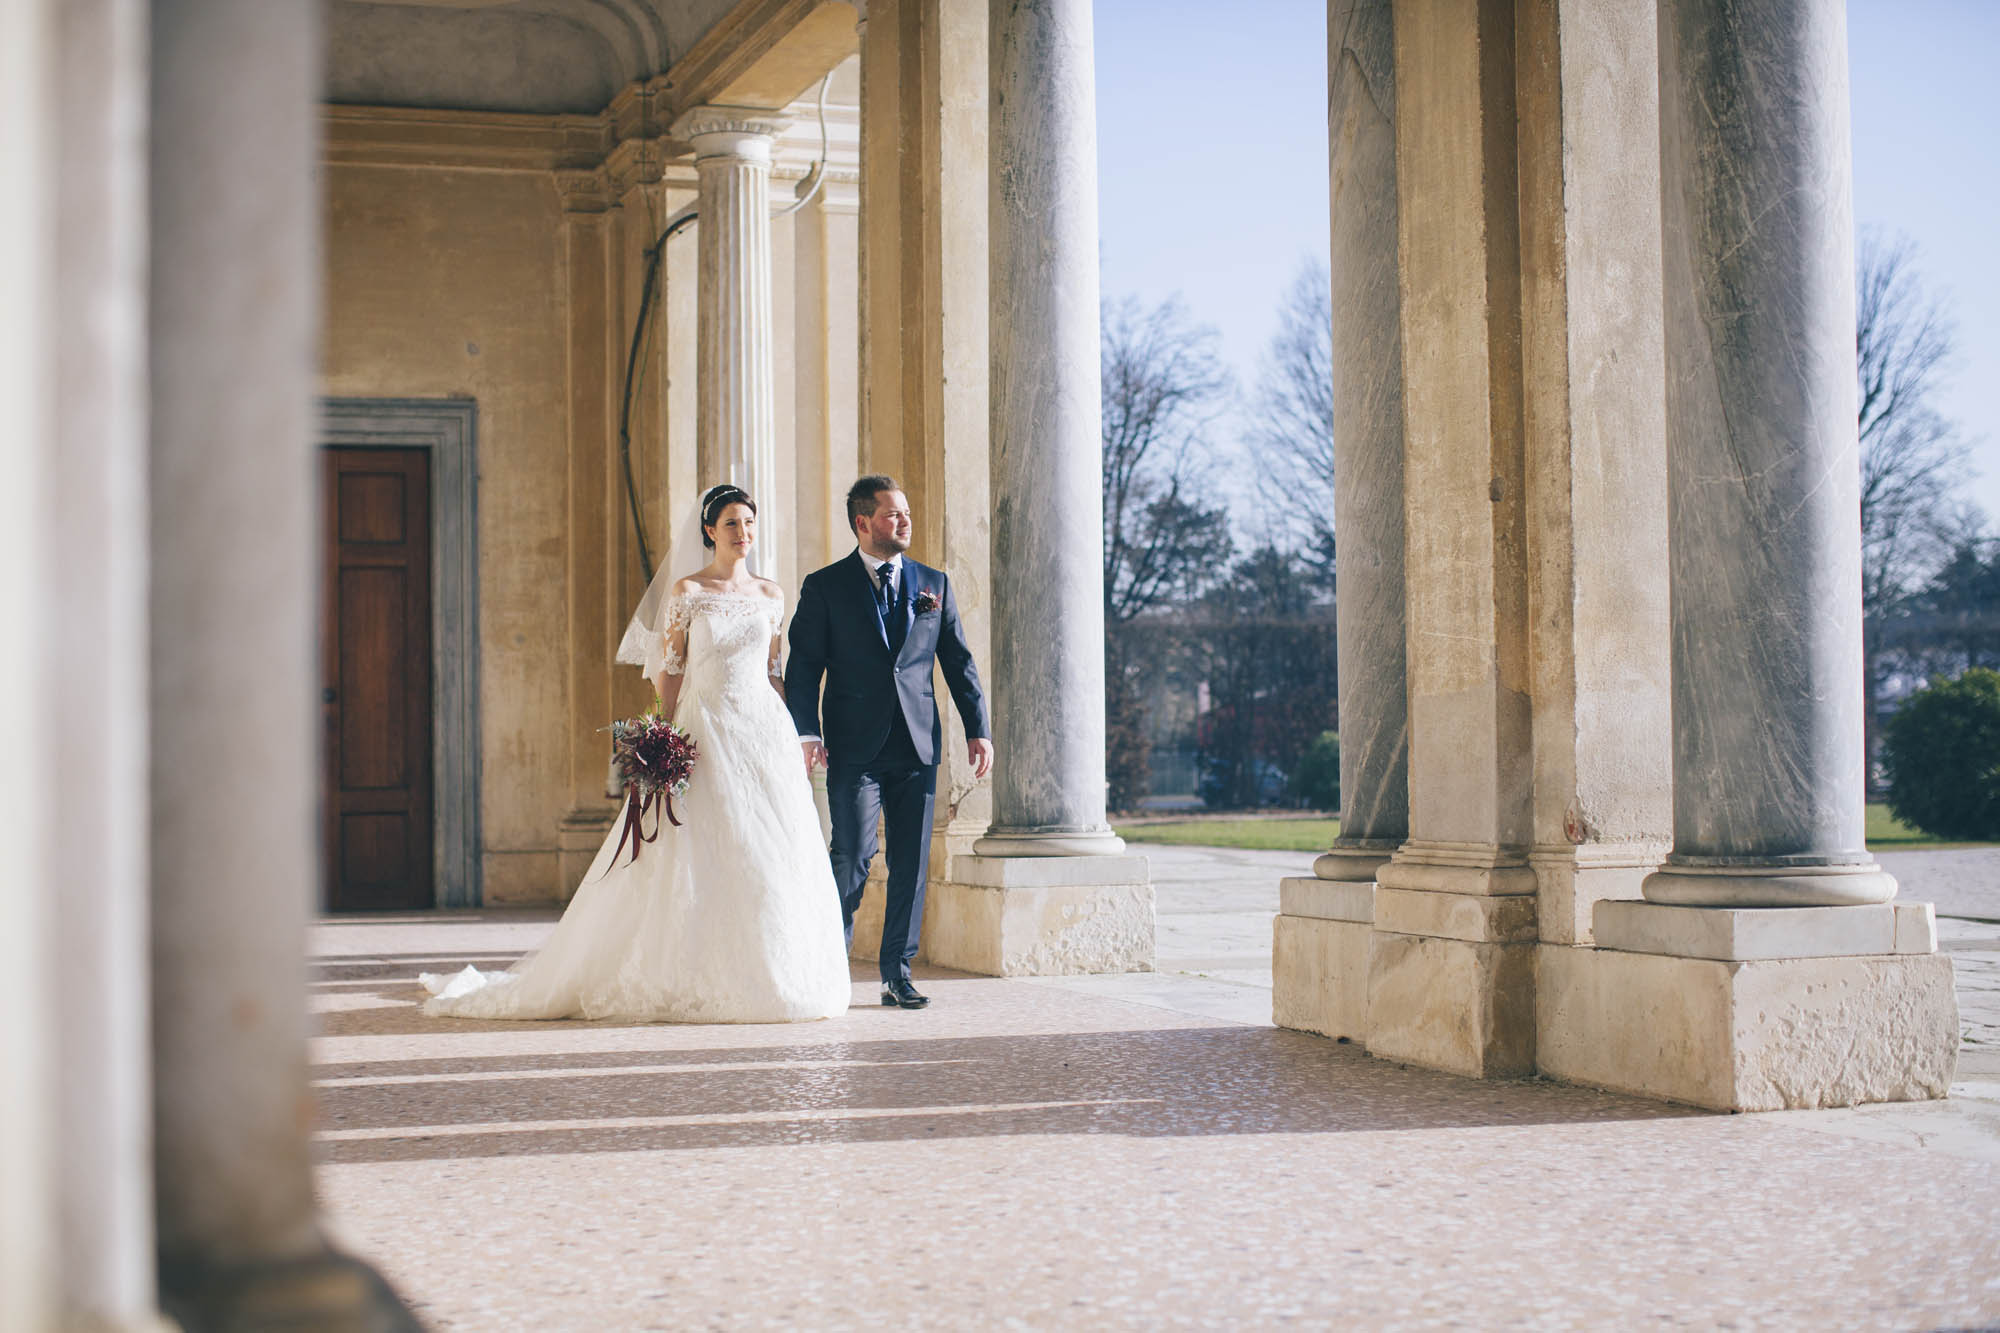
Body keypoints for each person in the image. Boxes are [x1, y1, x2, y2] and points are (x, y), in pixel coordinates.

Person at [419, 484, 853, 1023]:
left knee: (770, 848)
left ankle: (777, 970)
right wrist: (661, 737)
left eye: (749, 523)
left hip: (763, 733)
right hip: (706, 729)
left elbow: (773, 672)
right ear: (710, 532)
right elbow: (670, 673)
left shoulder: (771, 595)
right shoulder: (688, 590)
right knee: (701, 845)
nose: (743, 534)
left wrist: (798, 734)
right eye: (732, 524)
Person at [785, 476, 993, 1009]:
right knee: (852, 854)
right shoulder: (825, 586)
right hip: (855, 747)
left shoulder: (934, 584)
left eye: (906, 513)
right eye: (892, 514)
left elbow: (959, 663)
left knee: (911, 863)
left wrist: (978, 729)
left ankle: (896, 973)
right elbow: (805, 667)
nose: (904, 521)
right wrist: (806, 730)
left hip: (917, 748)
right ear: (863, 523)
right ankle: (828, 964)